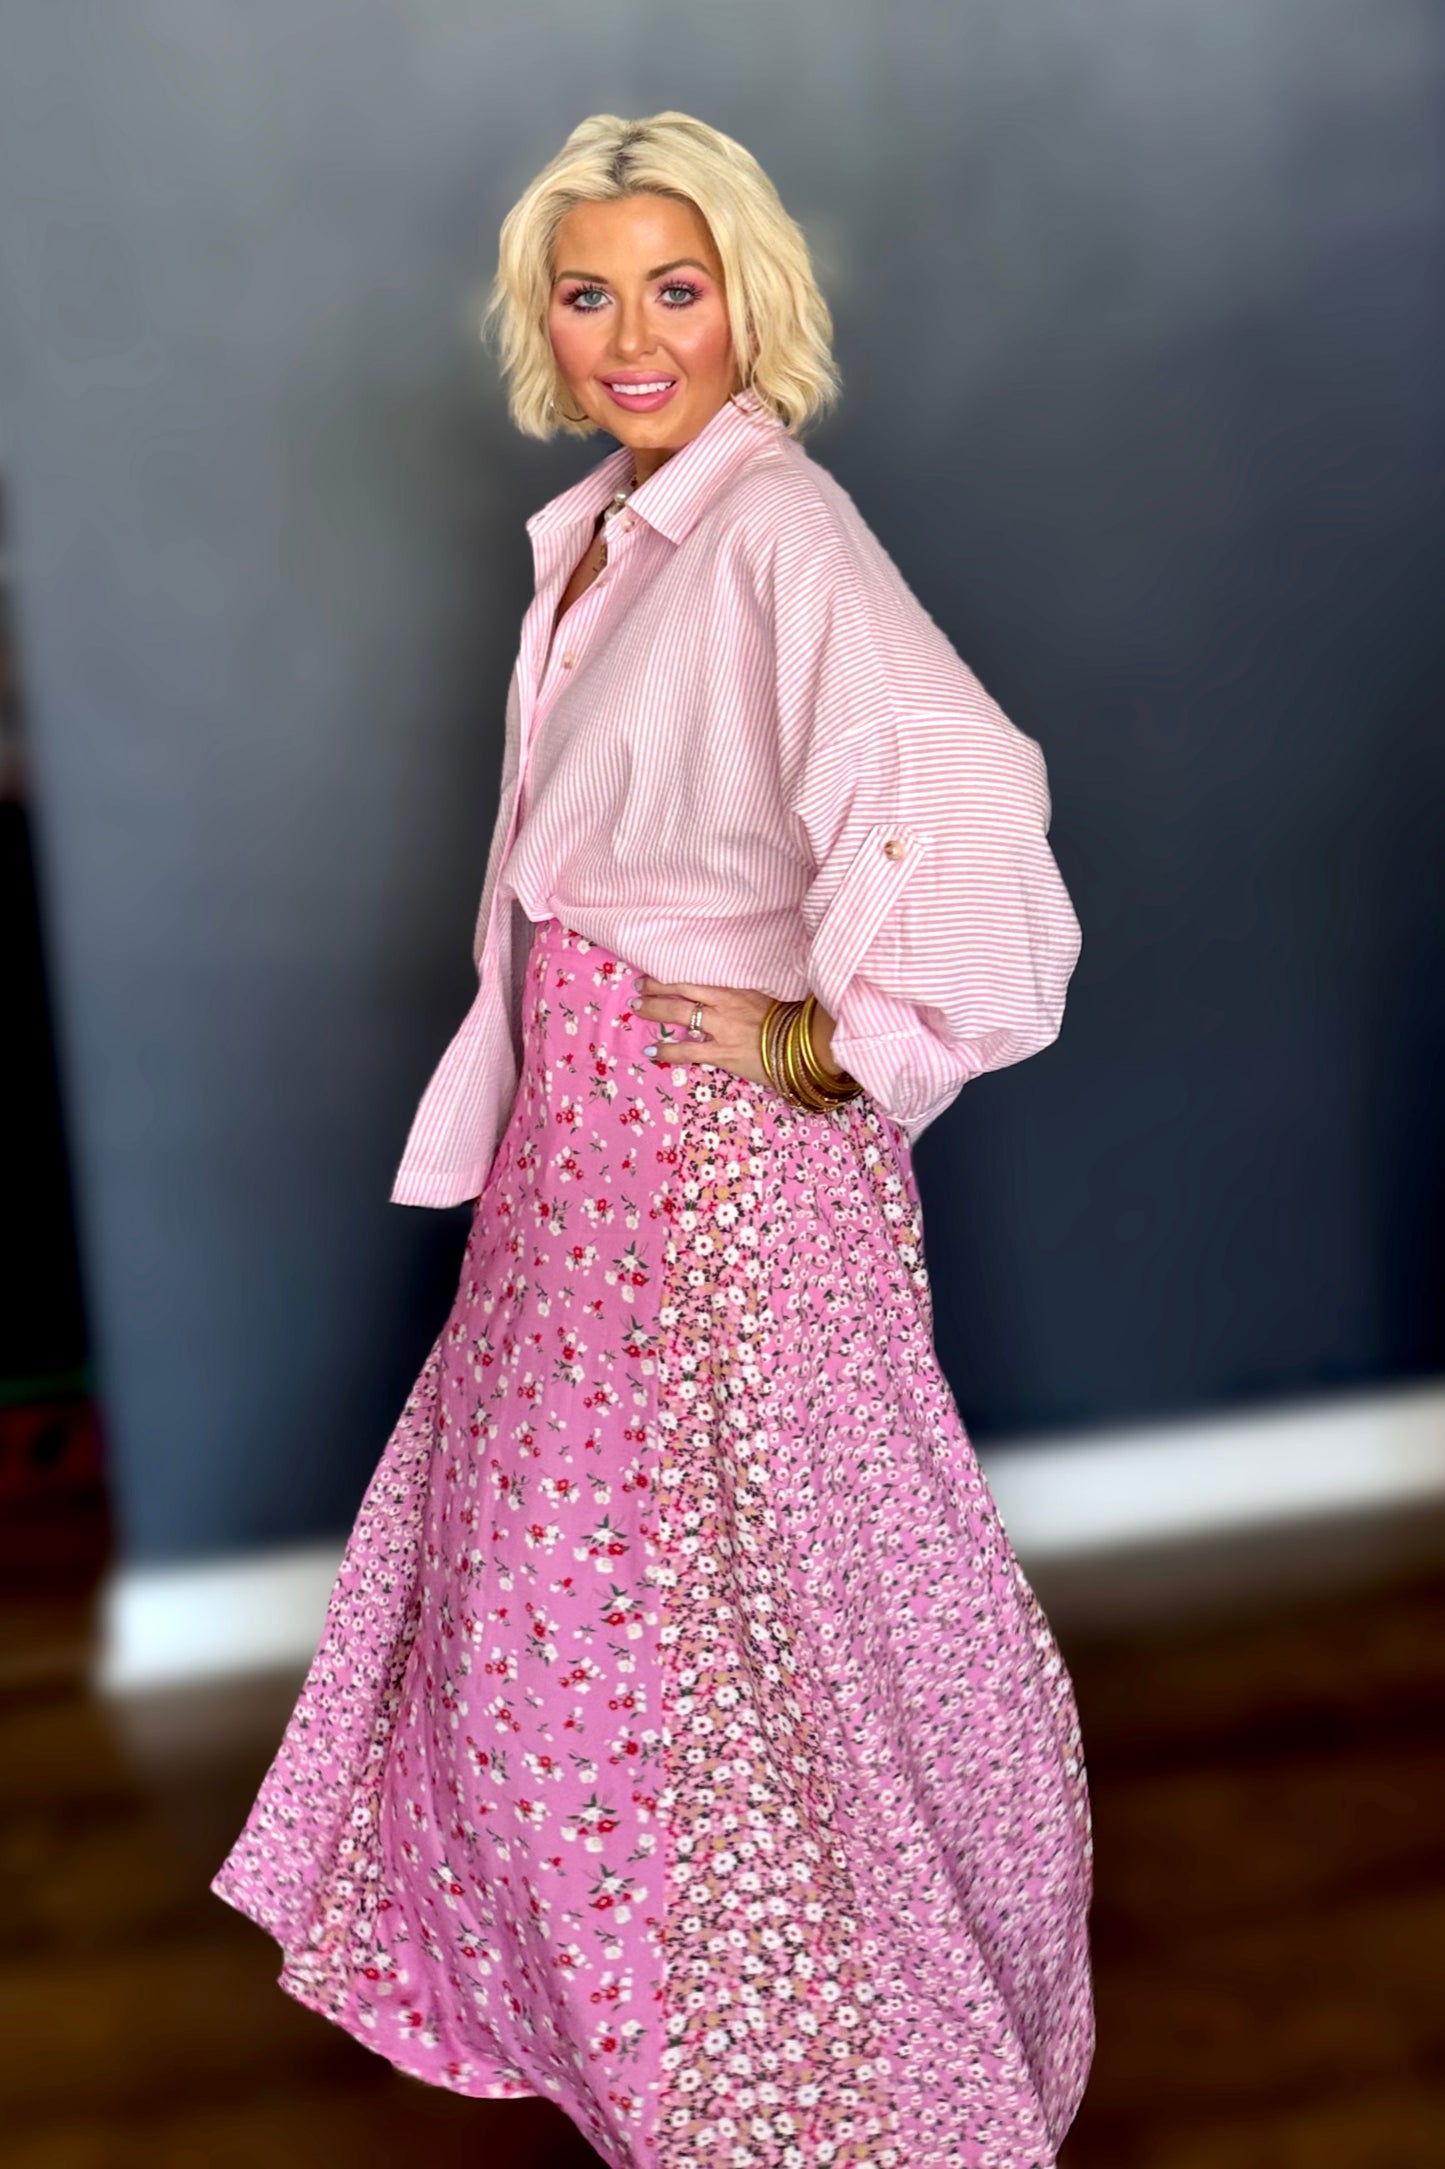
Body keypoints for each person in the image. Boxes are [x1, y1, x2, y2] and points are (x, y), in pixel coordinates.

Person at [215, 108, 1093, 2169]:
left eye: (673, 288)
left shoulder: (780, 526)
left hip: (719, 1159)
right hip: (579, 1144)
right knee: (550, 1596)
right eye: (590, 289)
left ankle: (859, 2089)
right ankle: (646, 2035)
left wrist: (829, 1035)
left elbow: (959, 783)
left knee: (773, 1609)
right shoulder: (609, 527)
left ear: (747, 301)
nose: (631, 331)